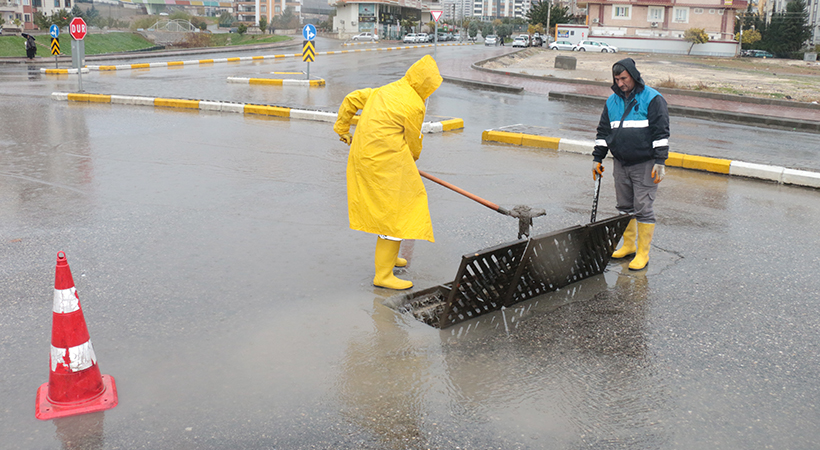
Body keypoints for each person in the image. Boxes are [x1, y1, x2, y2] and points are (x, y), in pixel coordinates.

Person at [334, 55, 442, 290]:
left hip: (364, 157)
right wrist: (412, 159)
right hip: (384, 164)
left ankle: (391, 258)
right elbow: (414, 141)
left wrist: (342, 128)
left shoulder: (385, 90)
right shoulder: (413, 104)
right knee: (396, 215)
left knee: (395, 211)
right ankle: (383, 275)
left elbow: (351, 98)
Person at [592, 57, 669, 271]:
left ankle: (643, 253)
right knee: (624, 207)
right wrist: (597, 158)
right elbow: (603, 132)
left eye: (624, 78)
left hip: (645, 163)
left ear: (634, 76)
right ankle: (628, 245)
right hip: (621, 162)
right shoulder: (612, 101)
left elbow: (661, 133)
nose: (620, 83)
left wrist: (660, 161)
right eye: (616, 79)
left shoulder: (653, 99)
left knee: (643, 208)